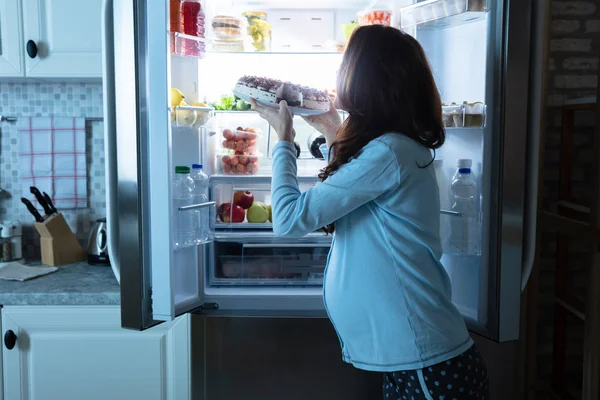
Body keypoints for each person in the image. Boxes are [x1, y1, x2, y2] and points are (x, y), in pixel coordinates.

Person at [250, 25, 489, 400]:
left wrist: (284, 141)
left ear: (365, 82)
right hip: (415, 357)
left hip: (427, 360)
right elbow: (357, 187)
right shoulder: (394, 148)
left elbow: (288, 219)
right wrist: (331, 128)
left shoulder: (389, 152)